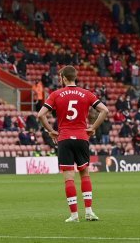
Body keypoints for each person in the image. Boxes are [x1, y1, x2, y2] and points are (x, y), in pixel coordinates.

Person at [37, 65, 110, 223]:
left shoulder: (56, 94)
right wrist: (93, 128)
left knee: (69, 177)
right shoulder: (86, 94)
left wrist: (51, 131)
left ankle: (74, 215)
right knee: (85, 173)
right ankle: (89, 212)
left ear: (63, 78)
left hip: (64, 138)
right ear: (75, 77)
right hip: (82, 136)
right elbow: (105, 110)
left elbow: (41, 115)